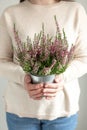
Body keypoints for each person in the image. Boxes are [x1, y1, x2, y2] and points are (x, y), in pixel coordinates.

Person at [0, 0, 87, 130]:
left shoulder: (75, 11)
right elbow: (2, 60)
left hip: (62, 111)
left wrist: (62, 77)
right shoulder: (11, 13)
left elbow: (83, 59)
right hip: (20, 111)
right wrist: (24, 78)